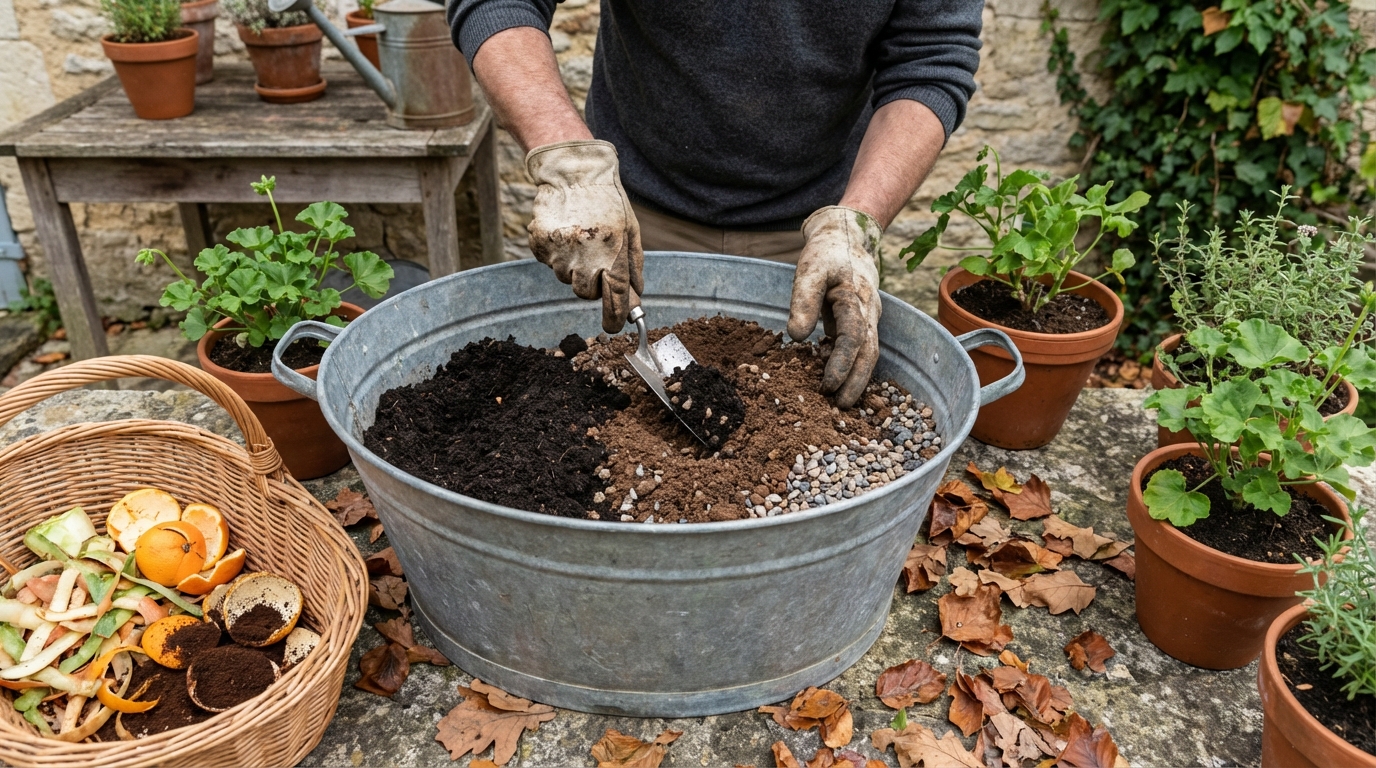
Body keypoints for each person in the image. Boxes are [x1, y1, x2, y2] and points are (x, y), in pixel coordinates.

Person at [449, 1, 983, 407]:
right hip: (626, 223)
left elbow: (931, 57)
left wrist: (854, 225)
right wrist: (571, 167)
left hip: (818, 240)